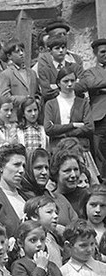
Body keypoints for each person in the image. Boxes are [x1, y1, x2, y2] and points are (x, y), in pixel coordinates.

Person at [43, 68, 94, 155]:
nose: (70, 84)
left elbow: (89, 127)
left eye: (72, 81)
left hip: (80, 149)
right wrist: (73, 125)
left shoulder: (83, 103)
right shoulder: (51, 104)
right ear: (59, 83)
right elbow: (48, 129)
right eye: (66, 81)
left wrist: (64, 133)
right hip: (57, 149)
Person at [76, 38, 106, 177]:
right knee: (99, 150)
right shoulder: (90, 72)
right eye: (103, 52)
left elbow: (95, 84)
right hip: (100, 117)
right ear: (96, 54)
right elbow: (90, 83)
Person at [0, 143, 27, 237]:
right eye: (16, 165)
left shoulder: (27, 197)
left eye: (24, 166)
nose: (21, 170)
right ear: (1, 167)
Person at [0, 41, 39, 106]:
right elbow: (4, 97)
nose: (21, 53)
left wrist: (37, 101)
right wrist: (24, 99)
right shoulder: (6, 74)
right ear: (9, 56)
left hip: (32, 112)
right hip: (16, 111)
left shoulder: (32, 73)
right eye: (17, 52)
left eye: (22, 50)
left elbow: (37, 93)